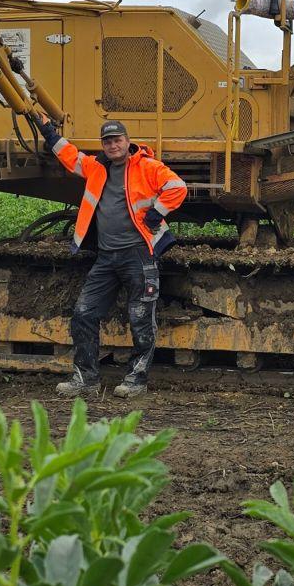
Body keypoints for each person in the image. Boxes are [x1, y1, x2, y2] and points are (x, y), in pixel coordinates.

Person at [33, 112, 187, 398]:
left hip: (138, 254)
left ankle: (136, 380)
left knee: (140, 316)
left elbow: (178, 187)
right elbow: (71, 157)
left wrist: (157, 213)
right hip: (106, 258)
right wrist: (49, 133)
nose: (113, 146)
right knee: (83, 313)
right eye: (107, 142)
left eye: (117, 140)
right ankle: (85, 379)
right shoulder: (97, 168)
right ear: (103, 146)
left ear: (128, 142)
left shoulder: (148, 166)